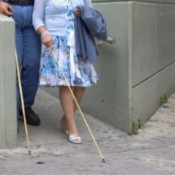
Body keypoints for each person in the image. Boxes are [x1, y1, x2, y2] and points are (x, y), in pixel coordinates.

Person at [33, 0, 98, 144]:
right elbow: (36, 17)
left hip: (80, 39)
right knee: (66, 82)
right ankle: (72, 126)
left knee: (82, 83)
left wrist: (84, 14)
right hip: (56, 40)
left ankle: (65, 119)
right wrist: (43, 32)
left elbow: (91, 12)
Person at [0, 0, 41, 126]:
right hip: (9, 12)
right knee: (13, 65)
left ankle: (25, 106)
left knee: (33, 63)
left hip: (34, 14)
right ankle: (10, 112)